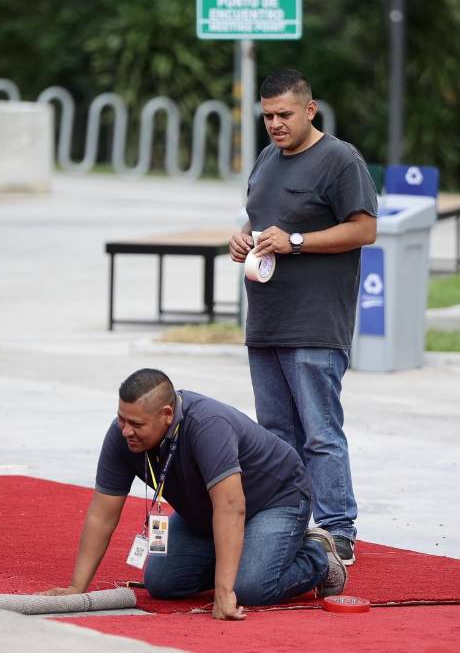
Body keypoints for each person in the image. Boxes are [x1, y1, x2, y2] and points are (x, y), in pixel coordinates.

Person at [46, 368, 346, 620]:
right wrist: (77, 587)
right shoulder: (122, 436)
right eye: (121, 419)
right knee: (161, 583)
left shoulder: (207, 425)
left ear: (166, 414)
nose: (125, 430)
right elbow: (102, 514)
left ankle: (317, 556)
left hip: (277, 499)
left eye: (136, 424)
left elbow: (232, 507)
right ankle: (243, 554)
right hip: (205, 513)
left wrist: (225, 591)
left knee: (250, 588)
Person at [228, 69, 378, 566]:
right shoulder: (268, 159)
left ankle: (339, 530)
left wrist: (295, 242)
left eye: (284, 115)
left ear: (309, 110)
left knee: (320, 433)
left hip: (316, 324)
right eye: (267, 116)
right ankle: (288, 521)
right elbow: (259, 213)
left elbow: (364, 230)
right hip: (265, 321)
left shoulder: (340, 159)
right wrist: (242, 236)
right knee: (273, 434)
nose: (274, 124)